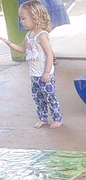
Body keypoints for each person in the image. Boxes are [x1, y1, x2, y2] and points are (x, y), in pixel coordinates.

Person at [2, 0, 62, 128]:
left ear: (35, 17)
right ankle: (43, 118)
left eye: (23, 18)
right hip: (34, 74)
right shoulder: (29, 35)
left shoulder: (42, 35)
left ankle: (57, 118)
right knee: (38, 98)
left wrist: (46, 72)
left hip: (45, 74)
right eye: (20, 18)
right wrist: (9, 43)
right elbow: (22, 49)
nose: (21, 21)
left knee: (50, 97)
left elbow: (49, 54)